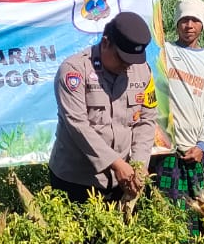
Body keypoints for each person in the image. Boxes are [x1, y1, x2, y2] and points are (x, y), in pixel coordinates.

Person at [49, 13, 156, 204]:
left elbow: (146, 119)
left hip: (120, 181)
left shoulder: (143, 71)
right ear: (106, 43)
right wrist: (116, 163)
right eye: (122, 59)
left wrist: (139, 164)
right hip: (76, 180)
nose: (127, 66)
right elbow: (77, 124)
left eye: (131, 60)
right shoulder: (74, 70)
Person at [149, 0, 204, 233]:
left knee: (197, 210)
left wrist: (202, 144)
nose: (189, 25)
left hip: (194, 148)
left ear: (203, 24)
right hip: (163, 147)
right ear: (176, 23)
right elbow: (148, 21)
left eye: (194, 20)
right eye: (184, 20)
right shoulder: (162, 52)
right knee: (161, 208)